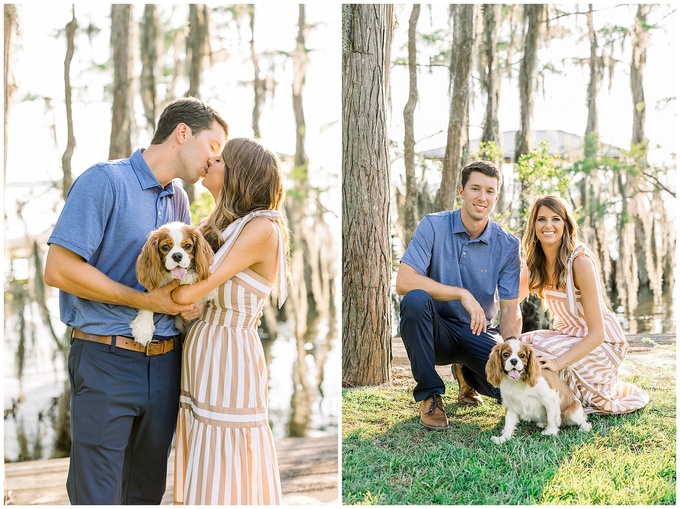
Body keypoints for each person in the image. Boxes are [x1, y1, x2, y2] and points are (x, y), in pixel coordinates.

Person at [43, 97, 229, 504]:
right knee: (98, 495)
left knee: (146, 491)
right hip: (105, 358)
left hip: (165, 362)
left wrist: (184, 303)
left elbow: (174, 282)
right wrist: (145, 302)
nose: (217, 160)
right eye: (213, 147)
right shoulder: (104, 181)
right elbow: (57, 269)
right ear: (183, 133)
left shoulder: (178, 199)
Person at [170, 137, 290, 505]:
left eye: (219, 159)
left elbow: (190, 291)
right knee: (203, 441)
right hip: (205, 347)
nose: (209, 161)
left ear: (239, 173)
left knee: (225, 446)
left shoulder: (263, 228)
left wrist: (181, 300)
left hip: (229, 354)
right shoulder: (223, 222)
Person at [395, 160, 523, 431]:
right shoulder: (433, 225)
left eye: (489, 191)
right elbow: (404, 281)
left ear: (496, 196)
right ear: (461, 191)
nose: (482, 197)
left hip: (477, 332)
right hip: (435, 334)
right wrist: (461, 293)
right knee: (414, 300)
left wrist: (513, 354)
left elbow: (511, 309)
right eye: (475, 188)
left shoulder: (508, 244)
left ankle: (467, 374)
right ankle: (430, 395)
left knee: (509, 393)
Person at [519, 194, 649, 414]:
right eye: (541, 219)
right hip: (569, 337)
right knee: (522, 343)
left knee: (543, 353)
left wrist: (557, 363)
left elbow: (597, 333)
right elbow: (509, 301)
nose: (548, 225)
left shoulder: (579, 262)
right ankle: (537, 400)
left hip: (601, 343)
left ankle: (559, 400)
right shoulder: (535, 263)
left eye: (555, 219)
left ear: (566, 224)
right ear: (533, 224)